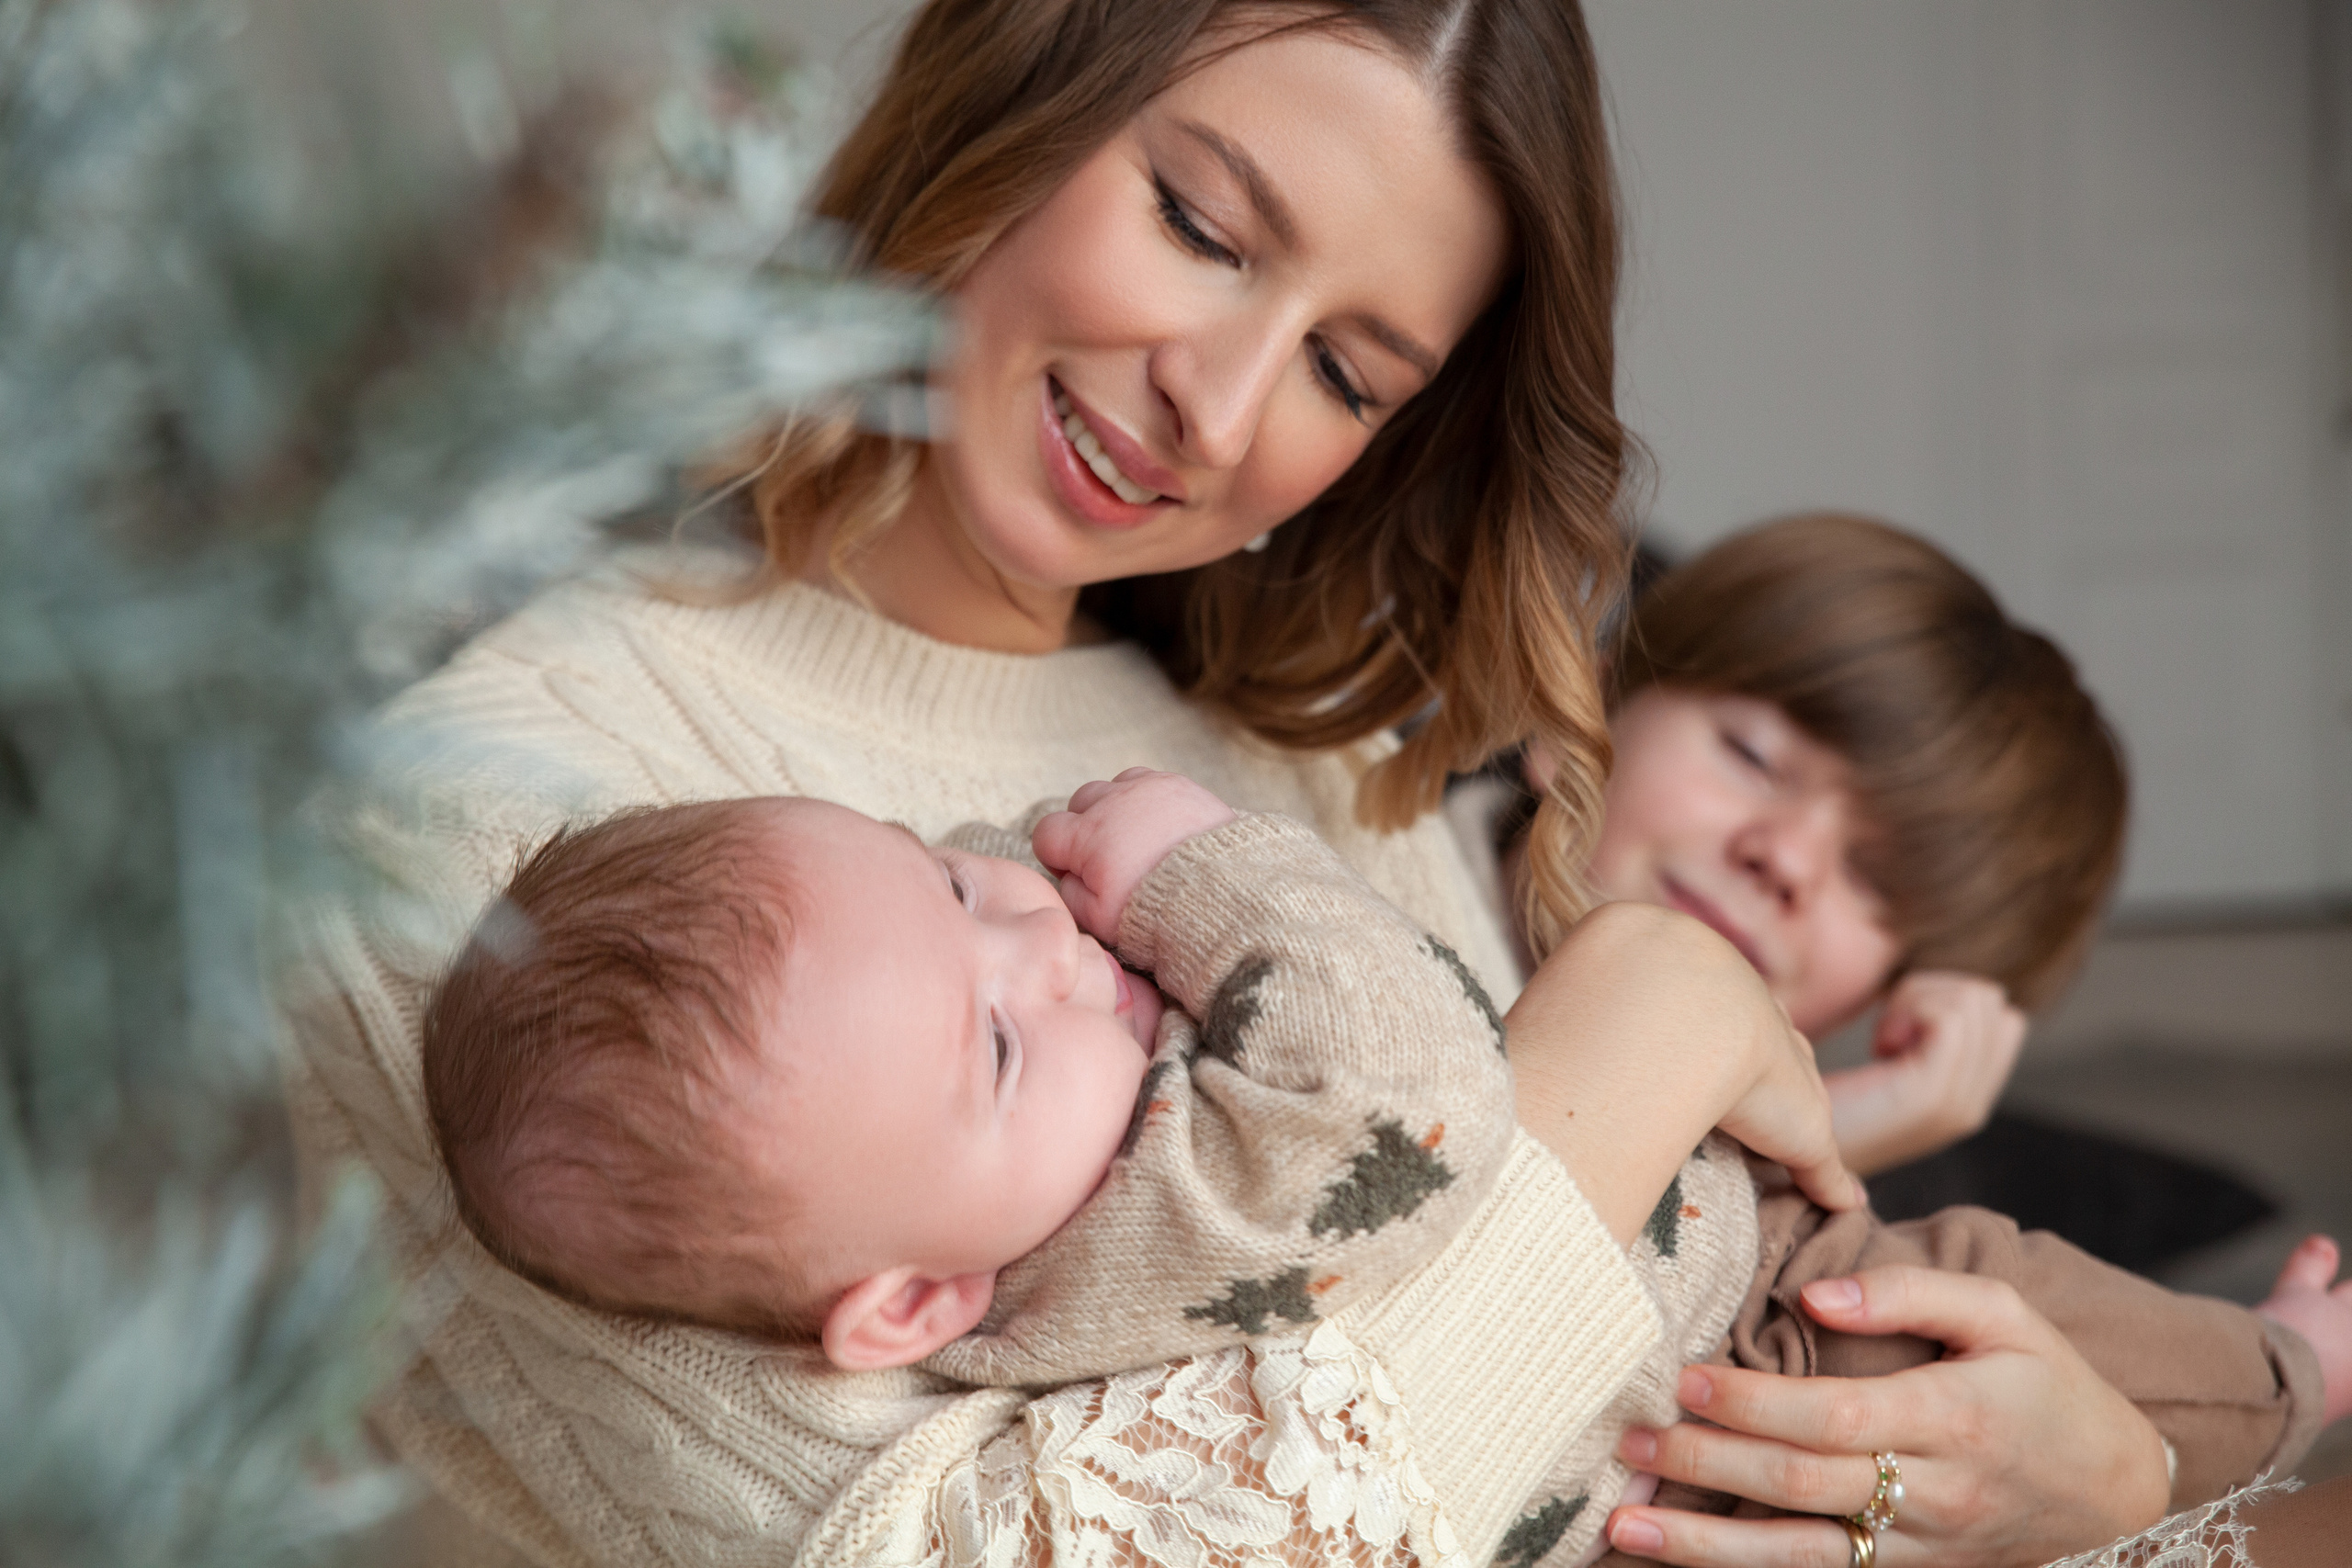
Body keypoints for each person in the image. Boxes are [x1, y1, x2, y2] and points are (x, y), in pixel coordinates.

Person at [277, 4, 2227, 1564]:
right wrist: (1657, 1010)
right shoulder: (466, 828)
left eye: (1346, 375)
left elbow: (1614, 1308)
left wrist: (2084, 1479)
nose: (1213, 405)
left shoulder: (1317, 768)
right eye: (1200, 227)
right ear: (1023, 74)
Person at [419, 771, 1849, 1388]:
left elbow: (970, 920)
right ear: (916, 1303)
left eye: (947, 883)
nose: (1042, 934)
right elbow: (1419, 1093)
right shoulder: (1169, 1213)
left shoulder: (972, 1140)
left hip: (1749, 1232)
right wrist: (1190, 872)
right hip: (1769, 1324)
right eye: (991, 1045)